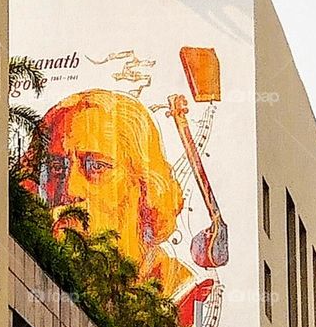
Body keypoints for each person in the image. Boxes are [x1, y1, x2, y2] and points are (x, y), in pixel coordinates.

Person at [24, 88, 192, 298]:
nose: (70, 189)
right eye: (57, 167)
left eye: (96, 167)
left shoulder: (186, 299)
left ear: (144, 186)